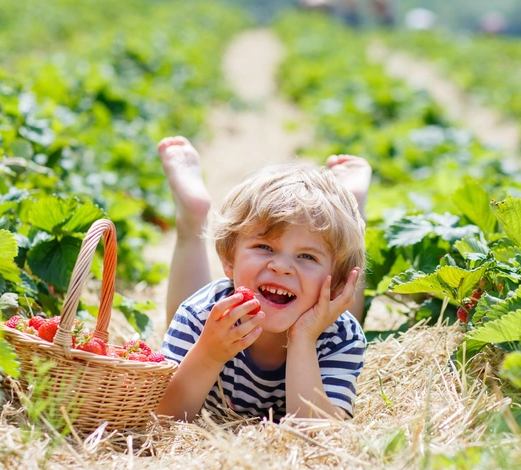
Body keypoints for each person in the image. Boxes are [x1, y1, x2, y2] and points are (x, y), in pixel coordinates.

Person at [154, 136, 372, 422]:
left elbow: (318, 433)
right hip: (206, 322)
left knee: (342, 271)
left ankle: (353, 209)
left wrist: (303, 339)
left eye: (307, 257)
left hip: (327, 310)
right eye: (264, 247)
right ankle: (192, 220)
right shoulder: (199, 314)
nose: (281, 267)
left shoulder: (340, 337)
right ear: (229, 260)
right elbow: (165, 418)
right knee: (185, 312)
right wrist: (208, 353)